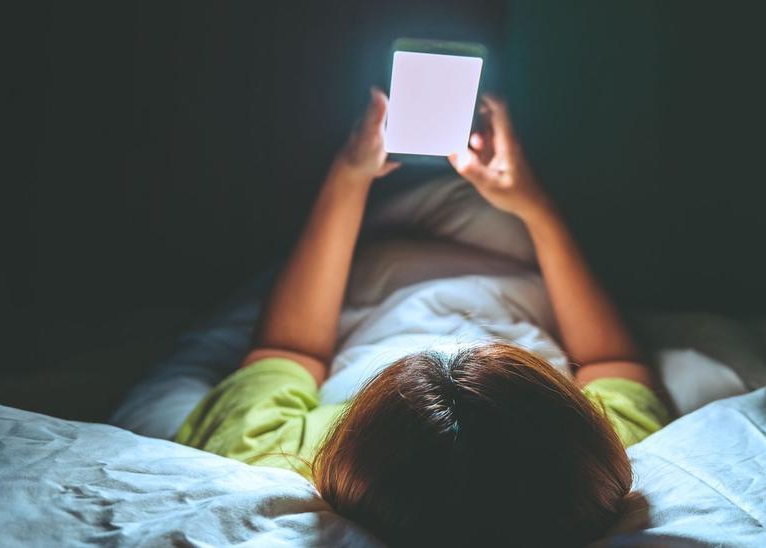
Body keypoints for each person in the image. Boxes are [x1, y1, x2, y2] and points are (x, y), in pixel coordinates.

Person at [173, 89, 670, 547]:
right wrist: (534, 206)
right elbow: (612, 358)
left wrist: (348, 176)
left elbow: (289, 350)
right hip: (509, 265)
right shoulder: (588, 459)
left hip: (377, 266)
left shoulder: (272, 453)